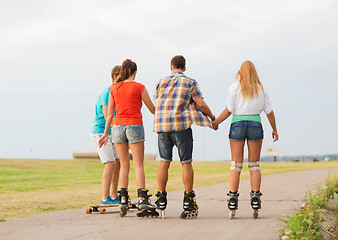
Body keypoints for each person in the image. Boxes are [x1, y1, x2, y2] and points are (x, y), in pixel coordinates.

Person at [211, 60, 279, 218]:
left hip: (237, 125)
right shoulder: (261, 88)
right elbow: (269, 111)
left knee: (236, 165)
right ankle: (255, 197)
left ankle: (233, 198)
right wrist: (274, 129)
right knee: (254, 165)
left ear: (240, 72)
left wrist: (216, 122)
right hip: (256, 124)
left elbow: (229, 109)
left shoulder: (235, 86)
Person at [153, 55, 215, 219]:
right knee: (186, 162)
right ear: (185, 68)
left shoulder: (160, 82)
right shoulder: (190, 82)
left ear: (171, 66)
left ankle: (161, 198)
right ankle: (188, 200)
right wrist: (212, 118)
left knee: (164, 162)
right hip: (181, 126)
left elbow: (158, 102)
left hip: (162, 127)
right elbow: (200, 104)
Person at [98, 59, 157, 217]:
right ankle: (142, 197)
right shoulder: (140, 87)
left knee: (124, 166)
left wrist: (105, 134)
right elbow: (152, 109)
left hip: (117, 128)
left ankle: (122, 197)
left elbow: (110, 114)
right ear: (135, 72)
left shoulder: (114, 88)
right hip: (134, 126)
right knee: (138, 165)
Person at [90, 65, 121, 205]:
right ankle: (105, 197)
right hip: (100, 132)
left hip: (112, 132)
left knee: (118, 163)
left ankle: (114, 196)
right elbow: (107, 115)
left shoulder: (117, 93)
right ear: (115, 77)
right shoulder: (106, 93)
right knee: (110, 163)